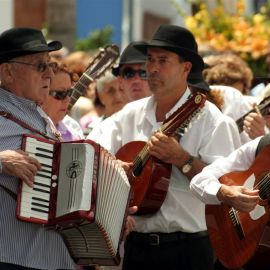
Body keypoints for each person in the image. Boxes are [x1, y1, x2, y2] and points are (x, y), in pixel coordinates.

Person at [88, 24, 241, 270]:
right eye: (150, 60)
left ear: (186, 67)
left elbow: (225, 188)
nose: (153, 68)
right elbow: (93, 149)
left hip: (188, 250)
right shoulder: (130, 114)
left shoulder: (212, 120)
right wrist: (113, 167)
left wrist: (183, 159)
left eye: (163, 60)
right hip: (136, 247)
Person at [0, 27, 135, 270]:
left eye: (50, 65)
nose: (49, 74)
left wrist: (106, 180)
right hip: (13, 258)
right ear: (7, 71)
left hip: (55, 258)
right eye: (40, 66)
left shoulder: (39, 113)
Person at [42, 59, 85, 141]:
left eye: (69, 92)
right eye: (60, 94)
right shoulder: (27, 126)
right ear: (41, 93)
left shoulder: (73, 126)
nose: (67, 99)